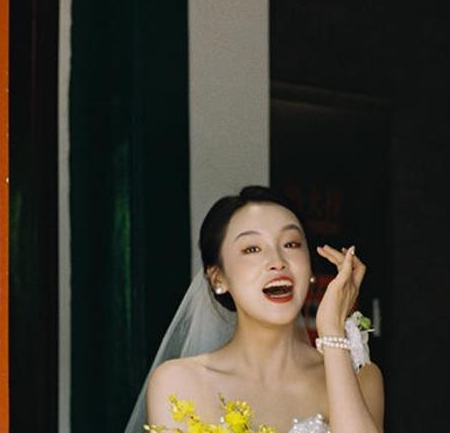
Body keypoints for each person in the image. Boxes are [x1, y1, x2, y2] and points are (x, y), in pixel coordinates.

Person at [127, 186, 385, 433]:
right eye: (252, 249)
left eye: (291, 244)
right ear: (218, 278)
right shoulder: (178, 382)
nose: (277, 262)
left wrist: (332, 331)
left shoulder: (361, 378)